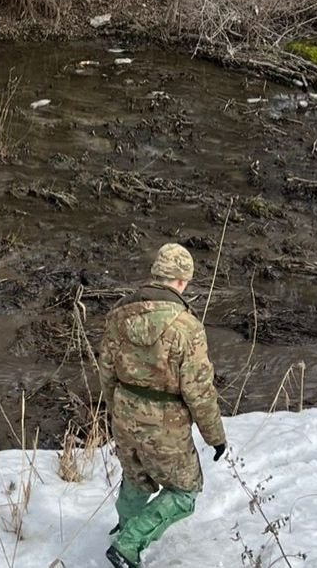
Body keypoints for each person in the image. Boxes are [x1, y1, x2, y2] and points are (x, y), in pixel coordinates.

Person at [97, 243, 227, 568]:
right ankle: (129, 543)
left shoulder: (119, 315)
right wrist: (215, 436)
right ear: (182, 281)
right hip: (165, 424)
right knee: (185, 492)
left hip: (125, 414)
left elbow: (106, 371)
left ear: (156, 273)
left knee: (135, 477)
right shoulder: (187, 327)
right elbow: (199, 391)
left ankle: (124, 526)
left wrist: (117, 410)